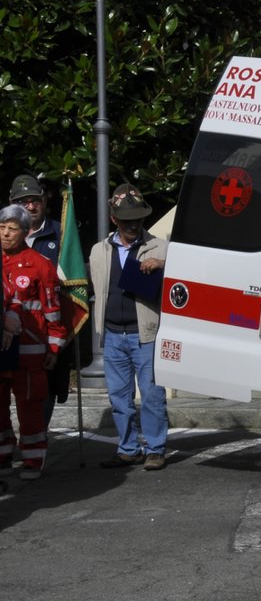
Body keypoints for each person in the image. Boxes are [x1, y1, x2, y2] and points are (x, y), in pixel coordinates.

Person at [88, 184, 170, 471]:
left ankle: (156, 448)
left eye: (137, 218)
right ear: (114, 219)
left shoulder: (160, 246)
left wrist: (162, 264)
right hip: (112, 334)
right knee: (119, 397)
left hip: (145, 333)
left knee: (151, 394)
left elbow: (182, 278)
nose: (133, 224)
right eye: (126, 220)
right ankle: (127, 448)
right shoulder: (99, 250)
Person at [0, 204, 65, 479]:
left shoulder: (40, 265)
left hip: (30, 350)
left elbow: (53, 310)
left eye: (12, 229)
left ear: (25, 232)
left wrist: (54, 346)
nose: (5, 233)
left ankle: (33, 458)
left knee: (30, 406)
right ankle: (3, 453)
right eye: (1, 228)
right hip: (1, 351)